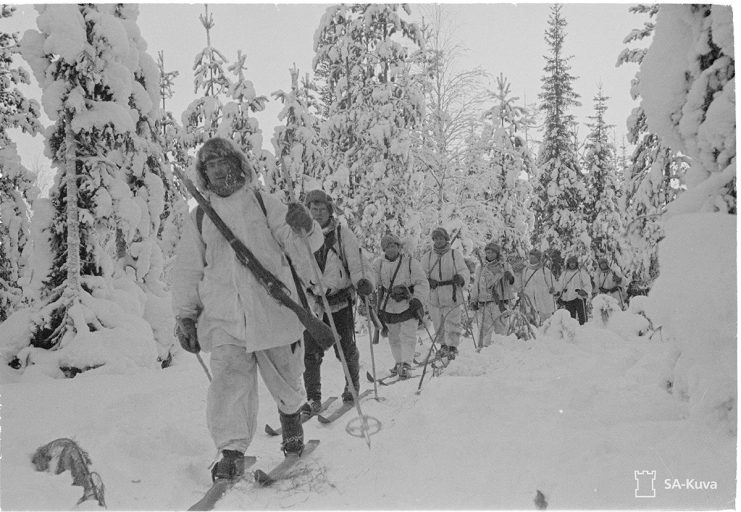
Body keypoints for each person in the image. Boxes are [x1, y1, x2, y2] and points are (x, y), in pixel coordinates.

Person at [172, 137, 323, 481]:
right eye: (210, 166)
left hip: (272, 310)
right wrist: (185, 315)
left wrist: (306, 226)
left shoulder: (262, 202)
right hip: (223, 316)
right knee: (228, 383)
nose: (219, 171)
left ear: (239, 164)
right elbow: (188, 269)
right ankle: (231, 450)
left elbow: (300, 243)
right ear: (203, 174)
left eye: (224, 163)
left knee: (285, 375)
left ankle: (291, 425)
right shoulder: (199, 218)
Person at [301, 190, 374, 413]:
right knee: (311, 353)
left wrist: (363, 281)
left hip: (340, 300)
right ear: (308, 211)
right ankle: (313, 397)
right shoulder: (299, 236)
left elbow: (357, 262)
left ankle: (351, 386)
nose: (318, 213)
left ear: (329, 211)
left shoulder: (342, 235)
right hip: (313, 304)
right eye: (314, 209)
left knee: (345, 348)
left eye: (323, 209)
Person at [374, 234, 428, 378]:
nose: (391, 249)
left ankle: (406, 364)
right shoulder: (378, 264)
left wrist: (419, 299)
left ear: (399, 247)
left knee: (408, 335)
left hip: (408, 303)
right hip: (388, 306)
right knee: (394, 336)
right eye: (388, 247)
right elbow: (372, 280)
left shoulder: (410, 262)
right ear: (384, 249)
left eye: (394, 246)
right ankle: (398, 362)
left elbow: (422, 282)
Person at [420, 228, 470, 359]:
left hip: (451, 293)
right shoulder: (428, 257)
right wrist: (428, 281)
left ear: (446, 239)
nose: (438, 241)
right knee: (438, 323)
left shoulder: (454, 255)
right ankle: (443, 346)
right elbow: (421, 275)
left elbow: (464, 270)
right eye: (436, 238)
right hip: (434, 295)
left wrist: (461, 278)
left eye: (441, 238)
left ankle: (452, 347)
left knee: (453, 321)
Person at [470, 242, 516, 344]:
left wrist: (510, 278)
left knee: (501, 328)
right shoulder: (481, 268)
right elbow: (476, 285)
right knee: (484, 329)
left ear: (497, 253)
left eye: (492, 252)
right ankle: (484, 349)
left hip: (500, 303)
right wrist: (474, 300)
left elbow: (513, 283)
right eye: (487, 252)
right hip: (484, 302)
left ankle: (501, 349)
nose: (489, 255)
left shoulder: (505, 266)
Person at [520, 248, 558, 324]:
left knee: (547, 321)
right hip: (530, 299)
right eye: (530, 257)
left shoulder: (545, 270)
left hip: (544, 299)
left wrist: (553, 289)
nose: (532, 259)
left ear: (538, 258)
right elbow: (522, 283)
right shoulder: (526, 270)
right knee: (531, 321)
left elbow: (553, 283)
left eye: (534, 258)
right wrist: (521, 291)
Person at [555, 255, 592, 325]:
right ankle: (572, 332)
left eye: (573, 262)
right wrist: (558, 292)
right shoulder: (564, 273)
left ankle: (584, 331)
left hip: (579, 297)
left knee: (582, 317)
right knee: (570, 318)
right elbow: (560, 285)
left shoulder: (581, 272)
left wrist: (584, 290)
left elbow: (587, 283)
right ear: (568, 263)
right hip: (568, 298)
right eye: (570, 263)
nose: (572, 264)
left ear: (576, 263)